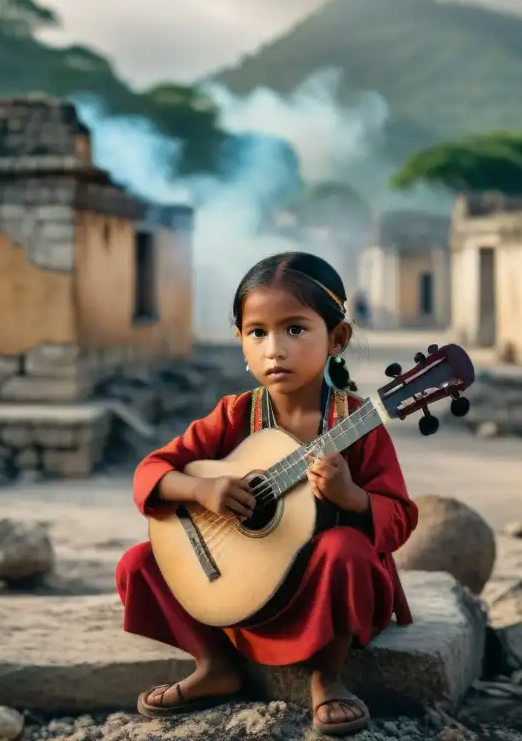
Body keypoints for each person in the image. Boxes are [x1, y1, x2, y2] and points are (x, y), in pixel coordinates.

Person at [115, 251, 418, 736]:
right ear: (241, 343)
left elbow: (400, 516)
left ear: (336, 338)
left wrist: (352, 498)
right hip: (243, 588)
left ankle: (327, 677)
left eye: (295, 329)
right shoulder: (235, 415)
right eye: (257, 332)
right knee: (137, 564)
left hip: (322, 593)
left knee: (344, 549)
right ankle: (215, 664)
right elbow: (151, 472)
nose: (274, 349)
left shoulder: (356, 423)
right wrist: (203, 487)